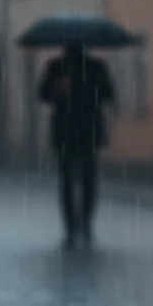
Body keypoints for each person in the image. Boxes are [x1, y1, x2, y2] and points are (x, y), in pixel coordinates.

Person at [37, 45, 116, 248]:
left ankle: (82, 225)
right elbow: (43, 94)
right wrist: (57, 89)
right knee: (71, 182)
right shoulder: (56, 68)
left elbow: (108, 93)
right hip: (69, 132)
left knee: (83, 181)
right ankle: (74, 227)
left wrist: (89, 90)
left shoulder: (95, 68)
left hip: (84, 131)